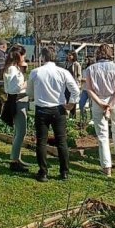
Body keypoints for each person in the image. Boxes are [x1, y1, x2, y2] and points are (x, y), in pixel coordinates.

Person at [28, 46, 80, 182]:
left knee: (42, 142)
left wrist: (34, 96)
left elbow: (29, 92)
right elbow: (75, 89)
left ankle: (43, 172)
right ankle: (64, 172)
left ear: (43, 57)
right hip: (59, 109)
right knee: (61, 141)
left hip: (42, 109)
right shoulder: (62, 72)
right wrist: (72, 103)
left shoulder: (35, 72)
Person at [83, 43, 115, 176]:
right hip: (114, 100)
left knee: (102, 134)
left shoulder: (90, 69)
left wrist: (101, 103)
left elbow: (89, 89)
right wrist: (111, 104)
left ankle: (106, 167)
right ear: (110, 53)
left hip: (98, 101)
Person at [3, 45, 30, 173]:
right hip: (17, 101)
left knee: (18, 131)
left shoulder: (12, 68)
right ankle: (14, 161)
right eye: (23, 55)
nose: (24, 58)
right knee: (21, 132)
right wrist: (27, 83)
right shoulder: (13, 69)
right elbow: (15, 88)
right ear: (19, 56)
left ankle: (17, 158)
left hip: (18, 100)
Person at [65, 51, 82, 120]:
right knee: (66, 99)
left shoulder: (76, 64)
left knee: (73, 101)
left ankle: (72, 117)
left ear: (74, 56)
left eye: (70, 55)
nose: (69, 57)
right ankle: (66, 116)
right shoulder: (66, 64)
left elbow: (79, 75)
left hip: (73, 85)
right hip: (66, 85)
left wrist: (77, 84)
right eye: (68, 55)